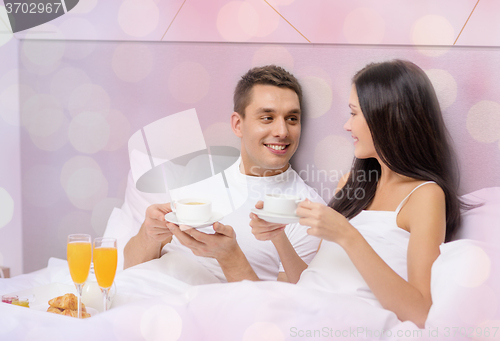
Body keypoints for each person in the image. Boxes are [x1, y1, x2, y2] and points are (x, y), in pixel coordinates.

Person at [250, 59, 466, 328]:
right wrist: (279, 237)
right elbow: (312, 280)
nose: (346, 126)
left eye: (354, 113)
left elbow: (420, 311)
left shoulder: (425, 196)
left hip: (346, 324)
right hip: (303, 311)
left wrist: (346, 234)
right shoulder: (351, 185)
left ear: (385, 117)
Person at [123, 65, 324, 283]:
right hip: (143, 297)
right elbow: (130, 268)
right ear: (238, 124)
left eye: (292, 119)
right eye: (267, 117)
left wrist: (229, 257)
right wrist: (149, 233)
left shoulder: (308, 210)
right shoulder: (201, 177)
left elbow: (283, 309)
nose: (282, 131)